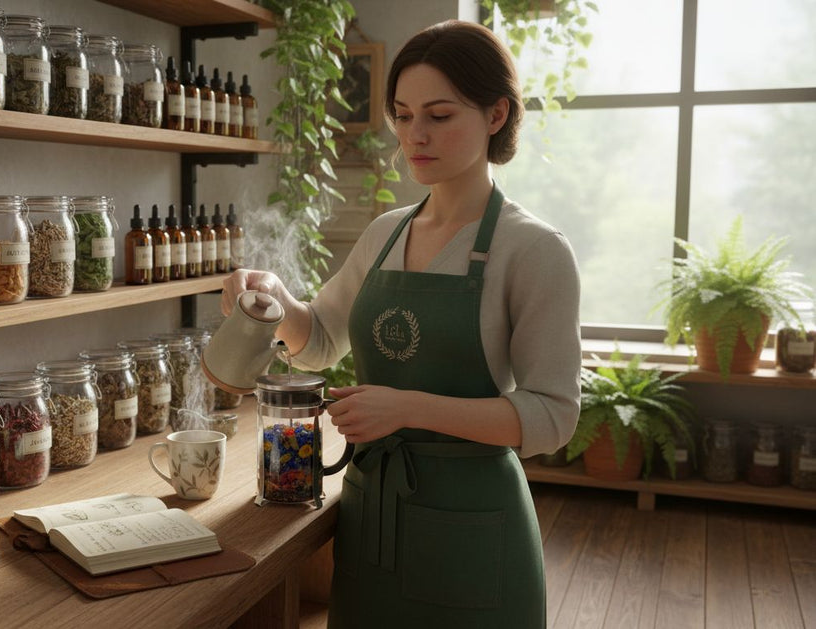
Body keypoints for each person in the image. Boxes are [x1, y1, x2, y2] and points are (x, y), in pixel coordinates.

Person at [221, 19, 581, 628]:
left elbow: (554, 417)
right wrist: (279, 300)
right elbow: (322, 340)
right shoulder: (385, 234)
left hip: (475, 526)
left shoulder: (536, 250)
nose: (415, 135)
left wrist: (407, 408)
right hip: (371, 515)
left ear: (496, 115)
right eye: (403, 114)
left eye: (439, 116)